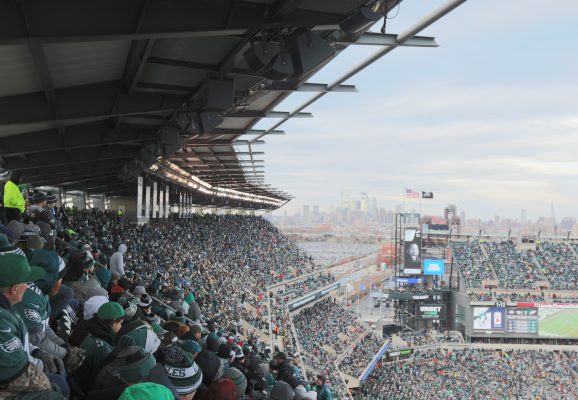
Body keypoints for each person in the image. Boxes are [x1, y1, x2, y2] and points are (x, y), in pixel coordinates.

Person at [0, 253, 65, 399]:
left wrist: (36, 352)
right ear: (14, 289)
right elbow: (16, 374)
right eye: (27, 282)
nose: (29, 286)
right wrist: (49, 387)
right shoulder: (3, 322)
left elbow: (19, 342)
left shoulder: (7, 308)